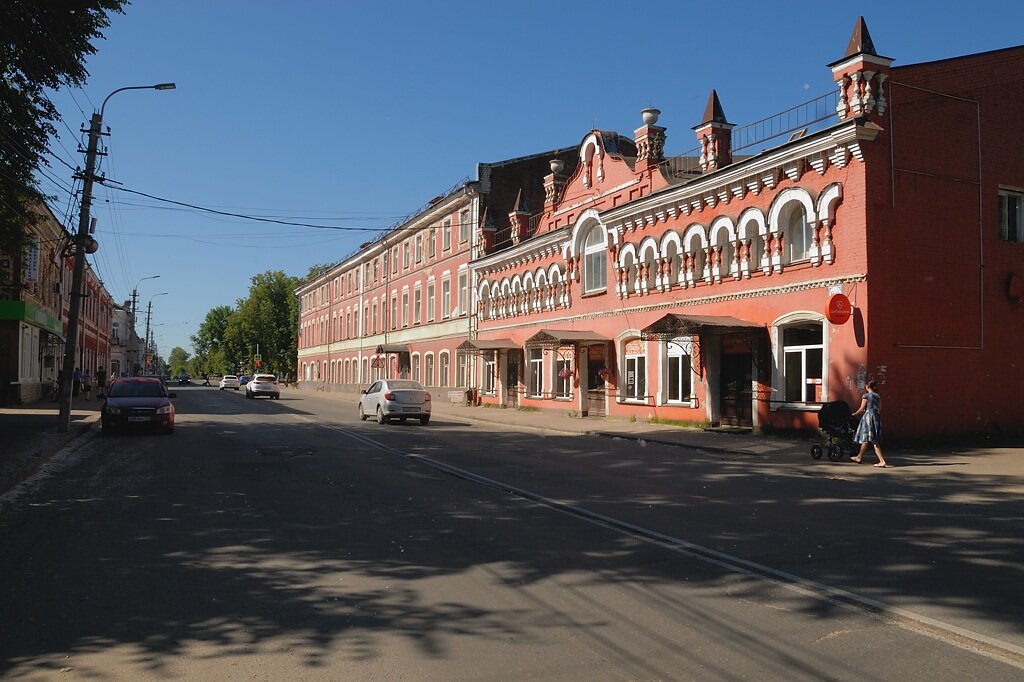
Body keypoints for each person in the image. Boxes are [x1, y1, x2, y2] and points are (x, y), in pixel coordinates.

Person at [850, 380, 888, 467]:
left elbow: (861, 409)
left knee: (873, 440)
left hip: (868, 417)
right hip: (876, 417)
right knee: (866, 438)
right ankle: (859, 457)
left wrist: (854, 414)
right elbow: (880, 408)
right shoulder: (878, 396)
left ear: (867, 387)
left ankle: (882, 461)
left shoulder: (866, 396)